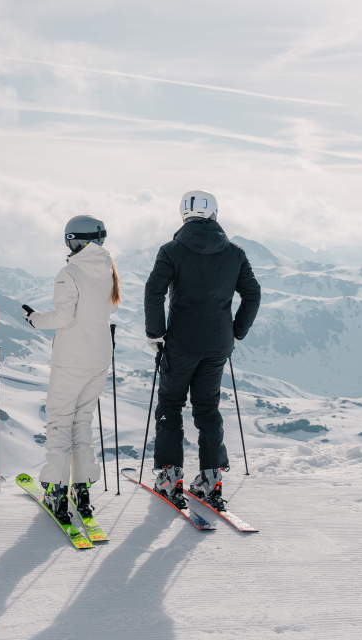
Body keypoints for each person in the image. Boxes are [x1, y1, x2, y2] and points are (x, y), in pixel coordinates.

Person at [144, 191, 260, 510]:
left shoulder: (171, 251)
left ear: (183, 214)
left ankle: (170, 479)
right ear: (214, 214)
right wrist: (236, 331)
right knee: (207, 408)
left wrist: (156, 335)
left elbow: (153, 292)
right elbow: (253, 295)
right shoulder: (234, 253)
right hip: (218, 344)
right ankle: (210, 481)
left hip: (180, 341)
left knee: (171, 403)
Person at [22, 215, 121, 524]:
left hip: (72, 359)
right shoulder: (107, 270)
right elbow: (110, 308)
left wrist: (34, 318)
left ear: (75, 240)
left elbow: (63, 317)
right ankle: (82, 489)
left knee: (59, 423)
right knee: (82, 423)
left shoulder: (70, 272)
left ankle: (56, 489)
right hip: (99, 358)